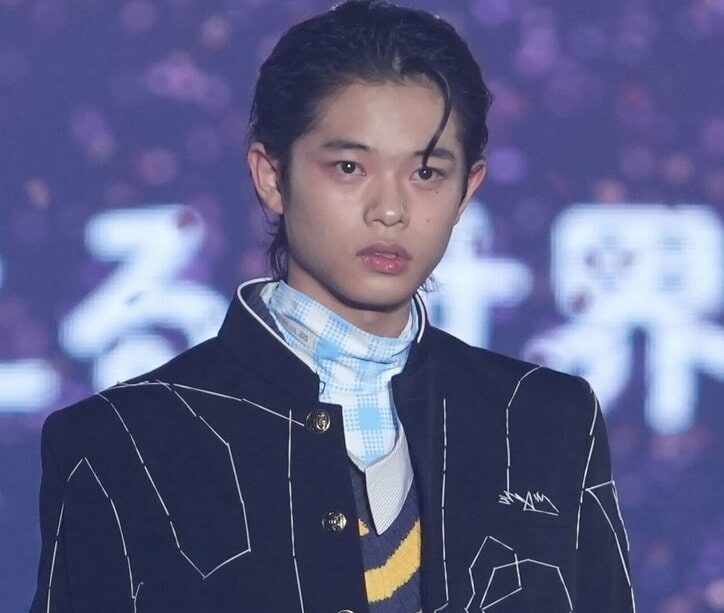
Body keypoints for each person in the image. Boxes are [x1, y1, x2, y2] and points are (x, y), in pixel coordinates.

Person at [31, 1, 634, 611]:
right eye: (349, 167)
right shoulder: (123, 442)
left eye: (426, 173)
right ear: (271, 176)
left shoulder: (545, 422)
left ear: (466, 190)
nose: (390, 210)